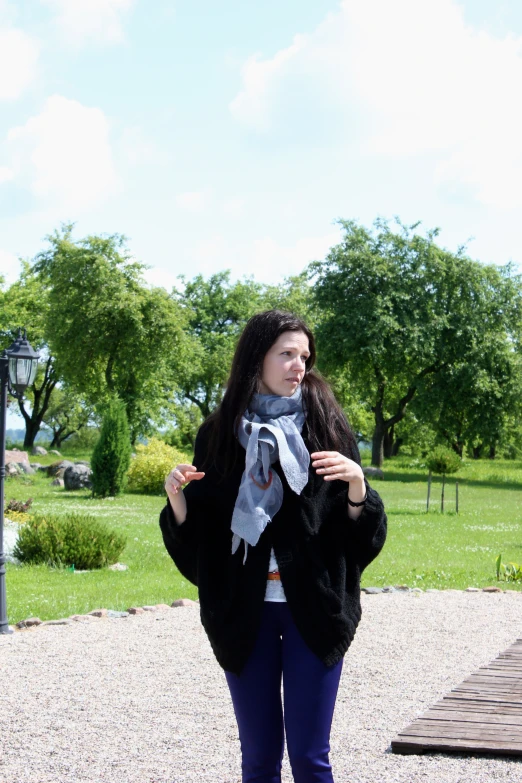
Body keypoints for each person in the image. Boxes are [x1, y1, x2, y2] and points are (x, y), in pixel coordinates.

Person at [159, 309, 387, 783]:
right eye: (286, 354)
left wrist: (358, 488)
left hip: (315, 609)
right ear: (256, 358)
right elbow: (202, 535)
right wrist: (178, 502)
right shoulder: (219, 433)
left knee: (309, 757)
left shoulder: (327, 426)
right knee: (259, 759)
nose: (298, 365)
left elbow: (356, 540)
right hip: (244, 613)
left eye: (303, 356)